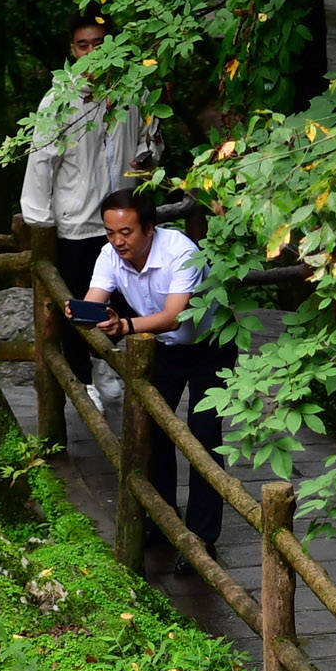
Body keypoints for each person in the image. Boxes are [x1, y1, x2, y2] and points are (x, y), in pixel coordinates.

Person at [87, 187, 231, 569]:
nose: (117, 241)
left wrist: (124, 326)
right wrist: (85, 312)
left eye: (126, 233)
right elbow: (95, 296)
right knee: (152, 430)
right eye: (110, 232)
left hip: (209, 344)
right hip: (162, 347)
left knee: (203, 436)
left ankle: (201, 538)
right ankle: (162, 521)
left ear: (149, 228)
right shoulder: (110, 254)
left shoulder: (181, 252)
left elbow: (174, 315)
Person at [20, 15, 152, 389]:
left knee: (127, 302)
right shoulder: (58, 102)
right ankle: (83, 385)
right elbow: (41, 163)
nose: (92, 52)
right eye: (83, 45)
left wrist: (146, 161)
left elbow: (149, 140)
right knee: (77, 306)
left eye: (99, 43)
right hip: (77, 225)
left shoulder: (133, 93)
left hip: (126, 221)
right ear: (72, 50)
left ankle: (118, 373)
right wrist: (41, 223)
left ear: (114, 46)